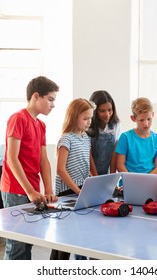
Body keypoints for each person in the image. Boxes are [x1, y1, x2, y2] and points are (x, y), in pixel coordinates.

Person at [0, 76, 59, 260]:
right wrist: (31, 191)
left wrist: (47, 189)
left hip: (32, 189)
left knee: (28, 242)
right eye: (50, 99)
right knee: (17, 245)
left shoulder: (41, 125)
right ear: (36, 96)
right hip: (16, 189)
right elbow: (12, 158)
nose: (53, 104)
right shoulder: (18, 119)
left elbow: (44, 161)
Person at [50, 98, 97, 260]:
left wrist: (95, 182)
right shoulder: (66, 139)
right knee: (64, 238)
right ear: (74, 117)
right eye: (85, 118)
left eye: (90, 118)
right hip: (67, 192)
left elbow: (88, 163)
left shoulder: (86, 138)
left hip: (80, 188)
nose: (89, 122)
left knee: (78, 234)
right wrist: (78, 191)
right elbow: (60, 169)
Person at [115, 97, 157, 174]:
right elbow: (120, 165)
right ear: (133, 118)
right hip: (129, 182)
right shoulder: (125, 137)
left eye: (149, 119)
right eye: (141, 120)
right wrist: (133, 180)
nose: (146, 124)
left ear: (153, 115)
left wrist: (144, 181)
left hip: (149, 181)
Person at [87, 90, 122, 175]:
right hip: (89, 174)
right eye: (102, 111)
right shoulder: (88, 125)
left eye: (110, 110)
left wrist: (112, 177)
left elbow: (115, 153)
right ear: (94, 112)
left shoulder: (115, 125)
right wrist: (95, 178)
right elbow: (88, 155)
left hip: (107, 173)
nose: (107, 114)